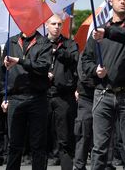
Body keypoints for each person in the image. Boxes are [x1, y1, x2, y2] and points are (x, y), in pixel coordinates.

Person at [81, 0, 125, 170]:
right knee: (99, 148)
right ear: (111, 1)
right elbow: (85, 60)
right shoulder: (98, 32)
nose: (122, 2)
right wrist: (95, 70)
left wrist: (108, 32)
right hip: (103, 94)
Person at [0, 30, 52, 170]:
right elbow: (2, 73)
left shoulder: (43, 41)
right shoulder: (11, 41)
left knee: (38, 144)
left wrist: (20, 61)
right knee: (14, 144)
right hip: (15, 97)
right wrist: (3, 95)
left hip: (37, 97)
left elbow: (43, 66)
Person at [45, 14, 78, 170]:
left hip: (63, 96)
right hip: (43, 95)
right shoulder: (39, 43)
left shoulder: (69, 44)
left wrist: (57, 51)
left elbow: (73, 59)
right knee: (41, 139)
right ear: (46, 25)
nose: (57, 27)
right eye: (53, 24)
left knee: (65, 139)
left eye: (59, 24)